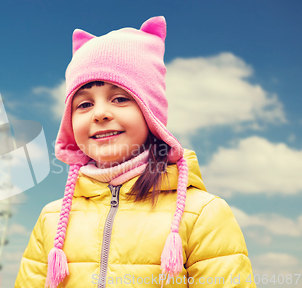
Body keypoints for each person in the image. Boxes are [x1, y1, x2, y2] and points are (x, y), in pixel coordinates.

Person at [15, 16, 256, 288]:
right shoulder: (53, 219)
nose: (101, 113)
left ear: (151, 112)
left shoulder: (203, 213)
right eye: (83, 104)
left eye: (120, 98)